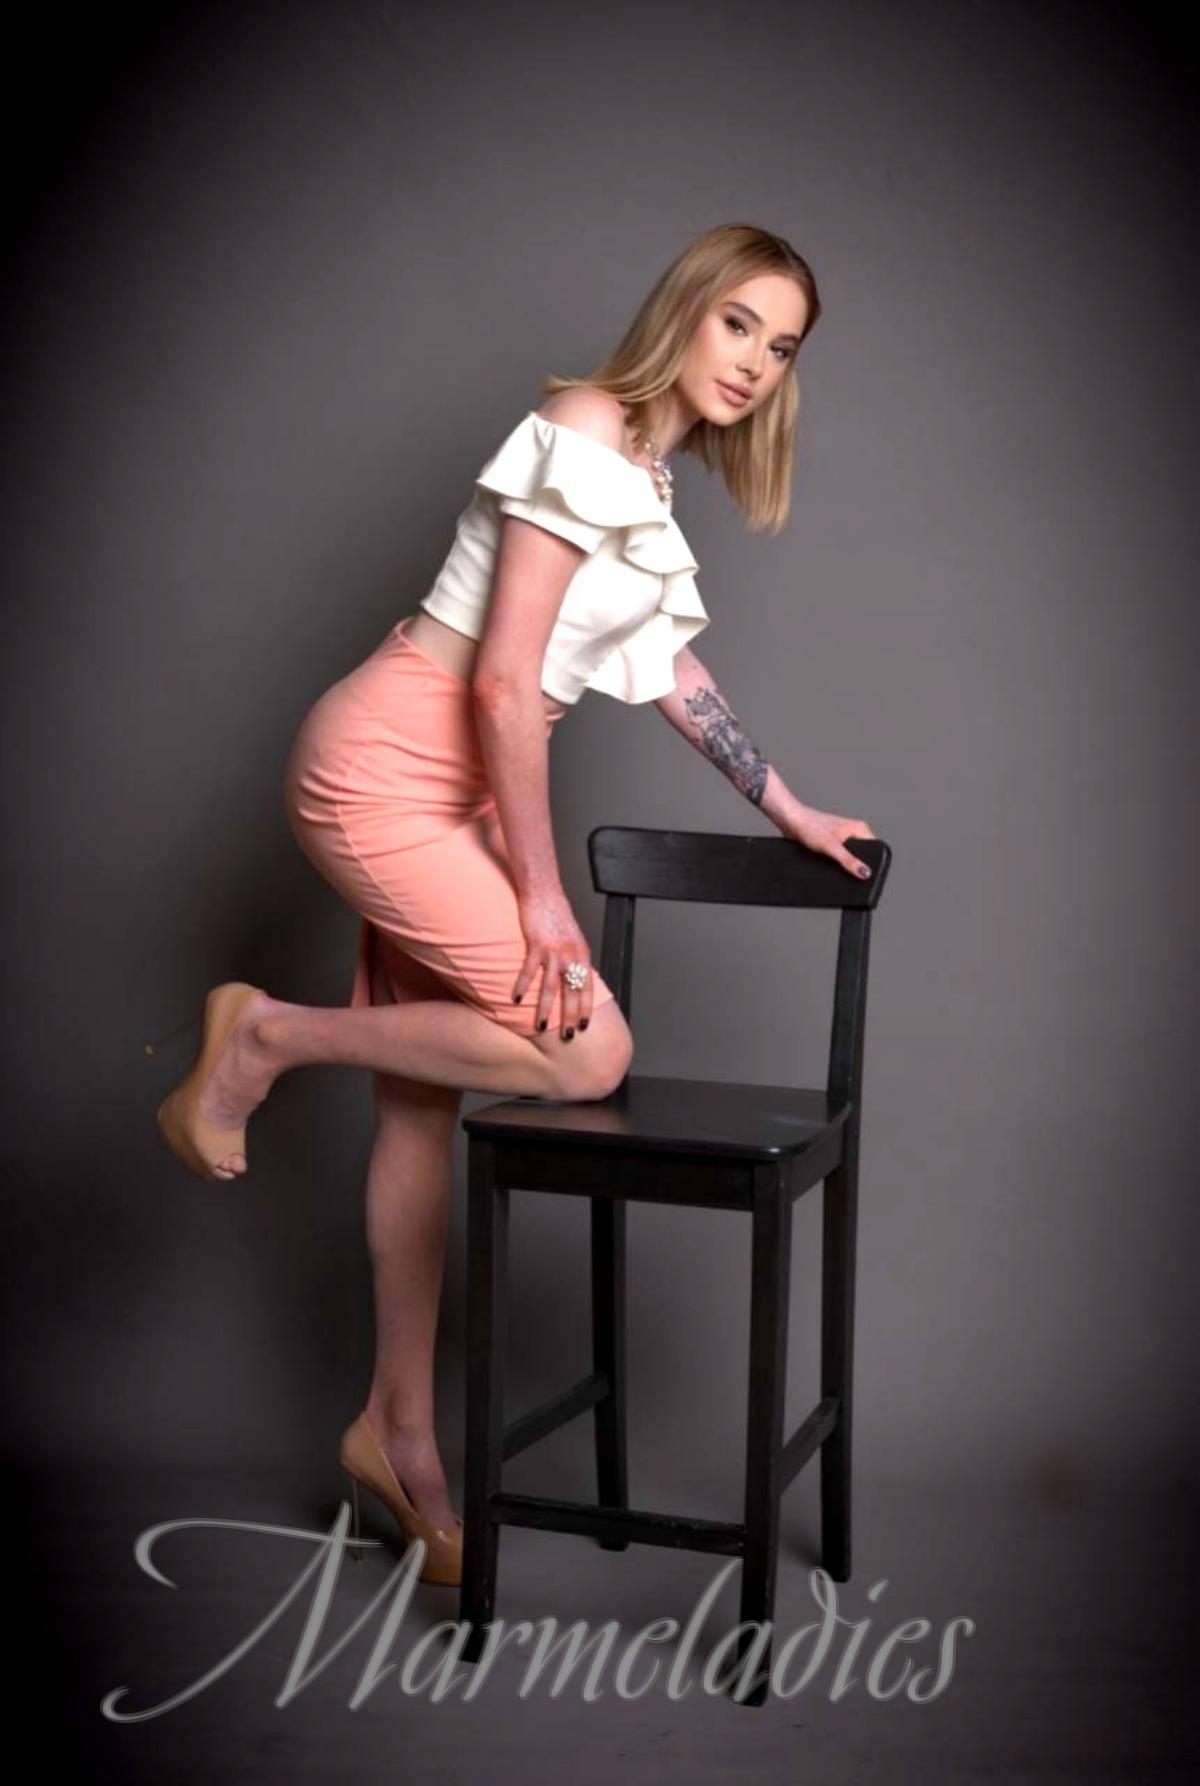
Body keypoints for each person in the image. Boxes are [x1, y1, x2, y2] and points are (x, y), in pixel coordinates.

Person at [150, 222, 877, 1582]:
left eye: (782, 349)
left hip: (460, 796)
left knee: (420, 1107)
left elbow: (673, 672)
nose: (755, 364)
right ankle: (263, 1037)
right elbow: (499, 680)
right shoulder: (587, 425)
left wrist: (788, 808)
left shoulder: (646, 483)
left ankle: (395, 1432)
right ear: (686, 311)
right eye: (738, 324)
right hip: (381, 774)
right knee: (586, 1050)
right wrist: (542, 898)